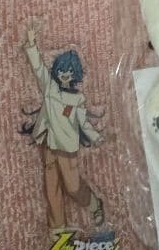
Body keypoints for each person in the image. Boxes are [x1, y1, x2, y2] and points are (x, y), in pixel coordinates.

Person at [22, 26, 105, 233]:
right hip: (49, 144)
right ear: (57, 72)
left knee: (73, 187)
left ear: (74, 74)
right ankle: (57, 229)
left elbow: (83, 123)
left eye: (69, 72)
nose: (65, 75)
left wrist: (96, 138)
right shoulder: (50, 87)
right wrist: (32, 45)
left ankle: (94, 203)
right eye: (61, 71)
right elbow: (39, 68)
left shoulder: (77, 99)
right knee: (52, 188)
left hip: (67, 148)